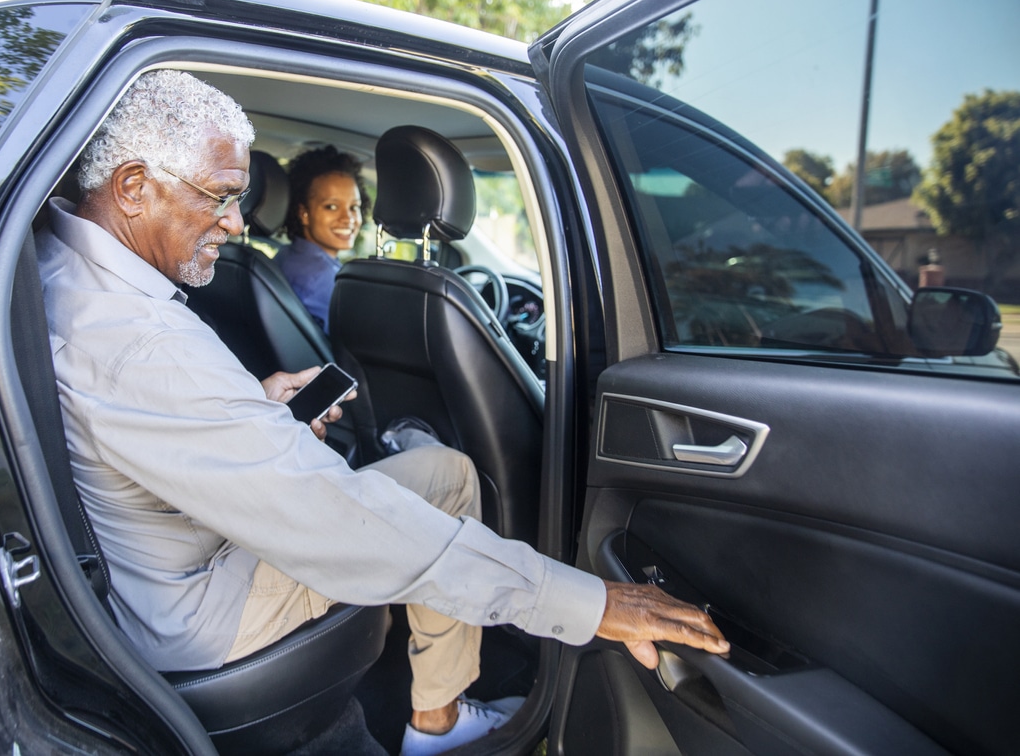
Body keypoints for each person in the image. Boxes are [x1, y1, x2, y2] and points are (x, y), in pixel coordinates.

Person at [36, 69, 728, 756]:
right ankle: (438, 721)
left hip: (151, 575)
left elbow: (156, 421)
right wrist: (587, 604)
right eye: (220, 196)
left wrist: (255, 410)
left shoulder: (59, 270)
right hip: (202, 610)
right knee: (448, 482)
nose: (237, 223)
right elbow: (344, 523)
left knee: (432, 473)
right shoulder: (143, 344)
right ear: (132, 187)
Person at [274, 145, 370, 333]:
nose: (348, 219)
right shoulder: (324, 280)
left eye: (354, 207)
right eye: (331, 207)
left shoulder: (287, 255)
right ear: (304, 213)